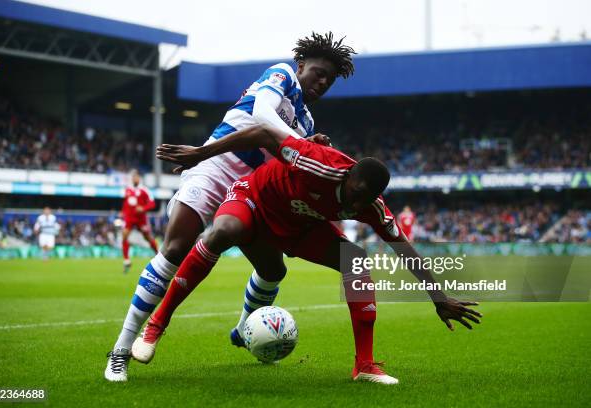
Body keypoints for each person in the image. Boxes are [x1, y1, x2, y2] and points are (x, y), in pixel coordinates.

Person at [133, 124, 482, 385]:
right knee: (222, 232)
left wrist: (438, 298)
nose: (357, 203)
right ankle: (156, 325)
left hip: (298, 225)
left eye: (366, 199)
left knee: (356, 260)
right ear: (348, 176)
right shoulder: (319, 163)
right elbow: (261, 133)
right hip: (254, 200)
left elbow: (404, 248)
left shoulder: (370, 206)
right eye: (355, 193)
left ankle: (364, 365)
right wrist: (201, 153)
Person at [105, 32, 357, 382]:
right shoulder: (281, 74)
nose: (323, 82)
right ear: (301, 65)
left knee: (273, 270)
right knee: (176, 248)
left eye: (329, 80)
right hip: (216, 165)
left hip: (251, 191)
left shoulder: (308, 123)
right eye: (319, 72)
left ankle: (244, 330)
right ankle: (121, 350)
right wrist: (301, 142)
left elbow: (287, 160)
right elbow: (261, 114)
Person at [120, 169, 158, 273]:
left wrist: (143, 208)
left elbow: (152, 203)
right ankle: (126, 260)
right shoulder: (128, 190)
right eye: (133, 177)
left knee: (148, 237)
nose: (134, 178)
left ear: (139, 178)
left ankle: (158, 254)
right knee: (124, 236)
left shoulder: (144, 190)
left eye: (136, 177)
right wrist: (122, 212)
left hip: (141, 219)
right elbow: (125, 203)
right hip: (129, 218)